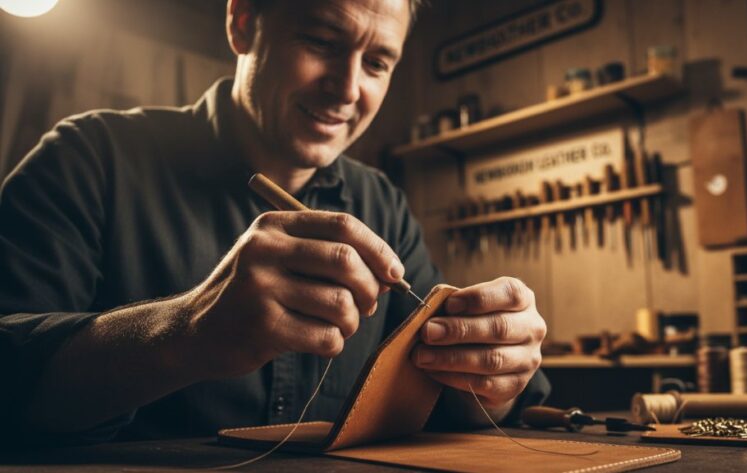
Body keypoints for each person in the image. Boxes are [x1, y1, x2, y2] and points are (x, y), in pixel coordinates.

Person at [0, 0, 549, 446]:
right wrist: (185, 333)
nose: (348, 88)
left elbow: (449, 391)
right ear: (242, 23)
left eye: (378, 63)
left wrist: (491, 379)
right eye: (322, 42)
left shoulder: (382, 202)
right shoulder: (88, 158)